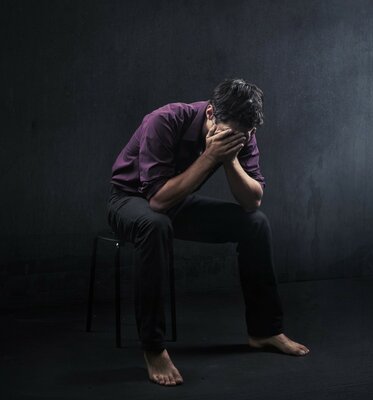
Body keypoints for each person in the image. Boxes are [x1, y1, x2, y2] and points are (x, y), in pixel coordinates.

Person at [106, 78, 310, 386]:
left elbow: (252, 200)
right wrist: (210, 156)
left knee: (256, 223)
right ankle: (153, 348)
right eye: (232, 135)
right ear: (211, 113)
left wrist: (229, 159)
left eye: (246, 136)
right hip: (129, 199)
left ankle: (264, 331)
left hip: (178, 199)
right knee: (155, 224)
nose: (239, 141)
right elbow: (158, 201)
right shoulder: (164, 120)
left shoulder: (242, 133)